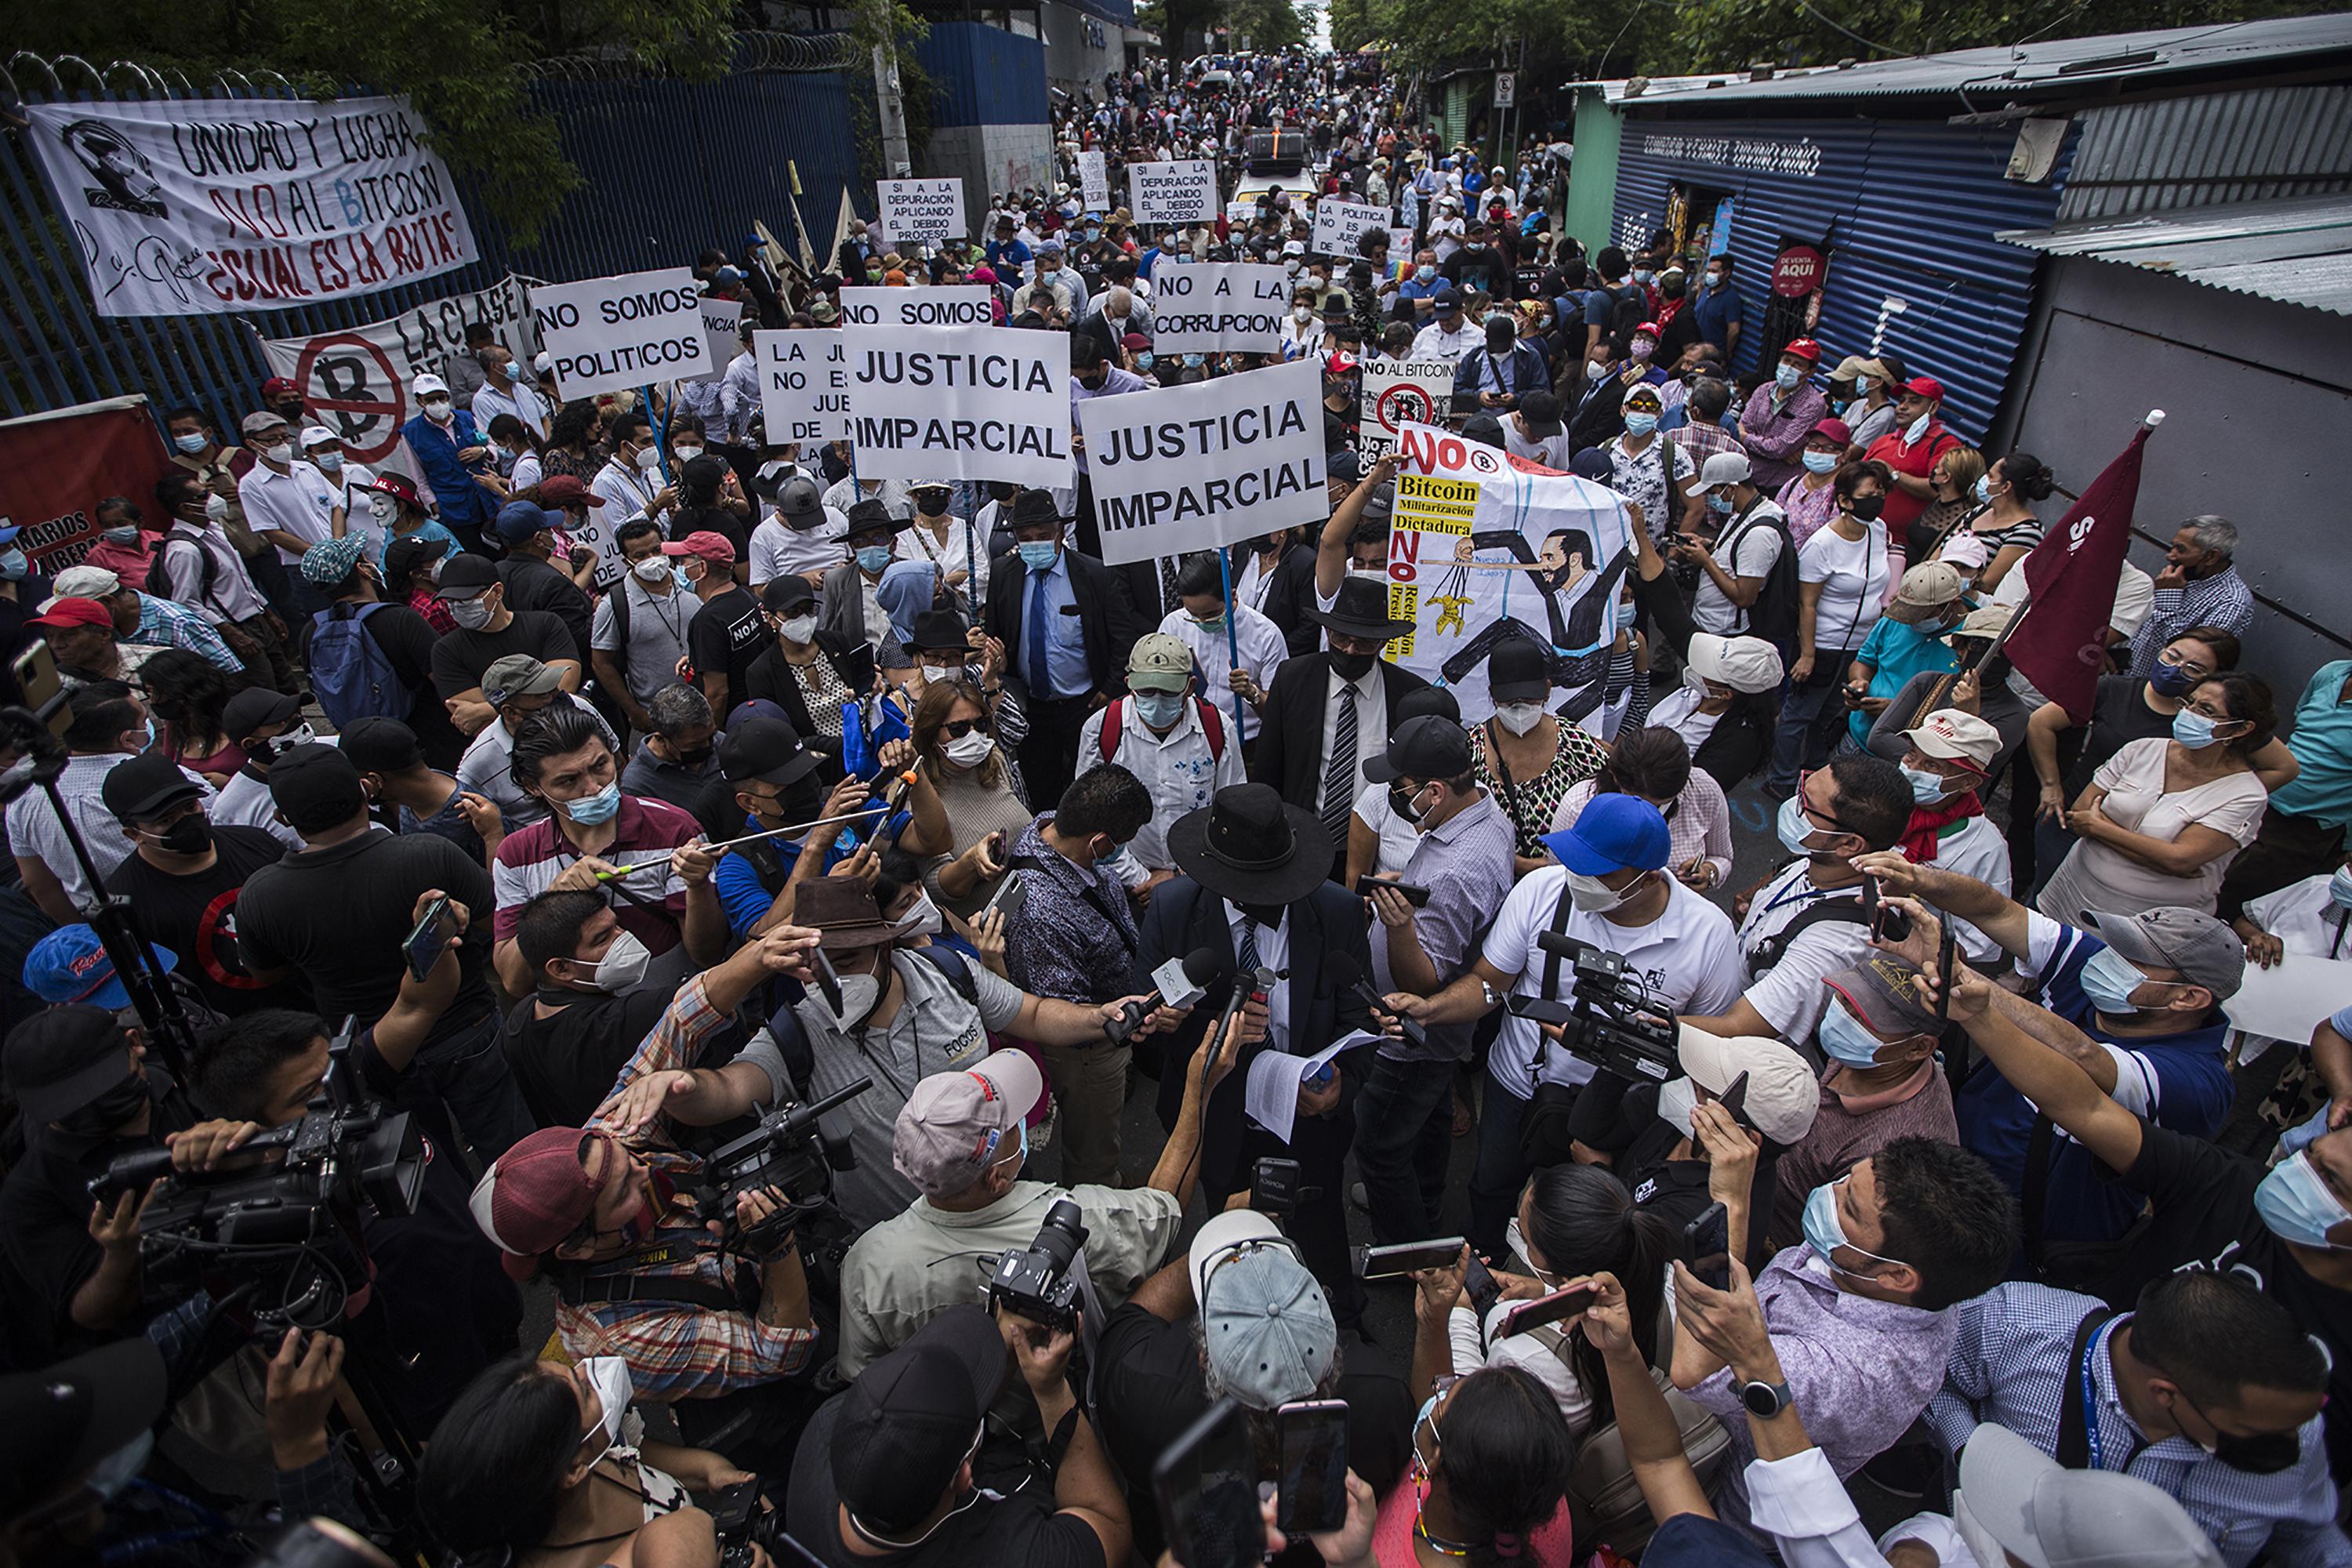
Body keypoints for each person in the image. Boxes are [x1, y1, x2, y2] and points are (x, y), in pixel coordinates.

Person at [466, 927, 822, 1468]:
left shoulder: (607, 1147)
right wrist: (775, 1249)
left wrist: (757, 959)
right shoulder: (616, 1337)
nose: (640, 1166)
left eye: (625, 1154)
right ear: (577, 1249)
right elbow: (782, 1349)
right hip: (776, 1393)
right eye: (625, 1190)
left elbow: (682, 1017)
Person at [1388, 796, 1744, 1257]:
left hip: (1615, 1115)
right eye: (1576, 862)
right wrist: (1431, 1009)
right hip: (1518, 1086)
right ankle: (1480, 1270)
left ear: (1648, 876)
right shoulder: (1542, 890)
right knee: (1492, 1186)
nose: (1579, 879)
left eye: (1599, 872)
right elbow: (1488, 983)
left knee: (1587, 1228)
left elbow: (1707, 1044)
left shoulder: (1708, 936)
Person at [1857, 867, 2243, 1283]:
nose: (2107, 959)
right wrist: (1919, 878)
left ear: (2188, 998)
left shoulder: (2195, 1081)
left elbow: (2085, 1057)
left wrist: (1960, 980)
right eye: (2117, 945)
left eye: (2132, 959)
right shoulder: (2099, 972)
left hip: (2018, 1243)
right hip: (1943, 1175)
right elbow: (1996, 910)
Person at [1671, 1138, 2018, 1530]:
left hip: (1710, 1493)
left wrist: (1730, 1208)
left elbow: (1695, 1370)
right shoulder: (1869, 1270)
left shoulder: (1857, 1372)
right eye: (1845, 1180)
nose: (1828, 1196)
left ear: (1897, 1276)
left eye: (1848, 1208)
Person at [779, 878, 1157, 1232]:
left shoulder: (948, 974)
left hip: (1003, 1194)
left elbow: (1034, 1015)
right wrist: (742, 970)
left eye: (845, 963)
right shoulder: (796, 1035)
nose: (829, 981)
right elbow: (721, 1093)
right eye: (813, 967)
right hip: (903, 1232)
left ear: (883, 947)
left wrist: (1100, 1016)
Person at [837, 1034, 1220, 1377]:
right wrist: (1197, 1091)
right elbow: (1165, 1210)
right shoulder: (1080, 1220)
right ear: (996, 1178)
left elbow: (862, 1375)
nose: (1019, 1121)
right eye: (1010, 1126)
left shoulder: (867, 1265)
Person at [1132, 784, 1374, 1310]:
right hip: (1217, 1121)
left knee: (1318, 1237)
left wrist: (1337, 1092)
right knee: (1234, 1240)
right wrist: (1179, 1025)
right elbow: (1147, 1031)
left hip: (1308, 1128)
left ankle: (1338, 1323)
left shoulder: (1339, 913)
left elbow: (1359, 1022)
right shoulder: (1172, 910)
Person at [1929, 1269, 2348, 1567]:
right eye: (2248, 1432)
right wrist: (1973, 1452)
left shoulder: (2288, 1429)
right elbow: (1934, 1380)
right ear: (2166, 1395)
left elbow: (2310, 1537)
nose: (2288, 1439)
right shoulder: (2012, 1326)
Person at [235, 742, 531, 1161]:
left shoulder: (261, 897)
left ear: (284, 818)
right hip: (467, 1028)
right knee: (514, 1151)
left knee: (419, 1166)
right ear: (364, 791)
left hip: (373, 1052)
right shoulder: (426, 853)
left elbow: (266, 974)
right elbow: (496, 921)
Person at [1093, 1206, 1414, 1561]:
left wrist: (1206, 1256)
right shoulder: (1384, 1396)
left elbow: (1129, 1322)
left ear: (1203, 1360)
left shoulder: (1141, 1381)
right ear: (1332, 1359)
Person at [784, 1305, 1131, 1568]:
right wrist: (1053, 1392)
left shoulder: (824, 1429)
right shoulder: (1022, 1553)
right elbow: (1108, 1525)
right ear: (965, 1476)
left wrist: (998, 1349)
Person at [1349, 714, 1515, 1241]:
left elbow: (1422, 984)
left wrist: (1398, 924)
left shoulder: (1452, 873)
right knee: (1429, 1119)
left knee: (1378, 1145)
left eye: (1402, 789)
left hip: (1410, 1042)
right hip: (1443, 1049)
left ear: (1436, 791)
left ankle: (1407, 1255)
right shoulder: (1486, 814)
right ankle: (1425, 1199)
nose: (1396, 799)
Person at [418, 1354, 753, 1568]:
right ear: (573, 1469)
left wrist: (711, 1469)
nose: (591, 1369)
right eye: (585, 1389)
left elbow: (641, 1453)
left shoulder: (595, 1451)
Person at [488, 702, 728, 996]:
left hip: (666, 1007)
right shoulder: (517, 856)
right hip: (580, 1027)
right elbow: (514, 981)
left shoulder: (674, 830)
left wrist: (698, 885)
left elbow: (707, 954)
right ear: (533, 786)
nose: (593, 788)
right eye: (568, 781)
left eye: (600, 766)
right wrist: (552, 903)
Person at [1683, 750, 1916, 1047]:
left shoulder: (1832, 946)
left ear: (1849, 844)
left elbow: (1737, 1027)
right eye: (1801, 789)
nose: (1794, 807)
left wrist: (1639, 1022)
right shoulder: (1822, 859)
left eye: (1807, 806)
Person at [1000, 765, 1156, 1184]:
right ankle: (1097, 1199)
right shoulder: (1041, 912)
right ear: (1100, 842)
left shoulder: (1054, 827)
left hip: (1117, 1000)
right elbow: (1063, 1008)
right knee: (1094, 1148)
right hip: (1088, 1052)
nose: (1122, 854)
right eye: (1121, 845)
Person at [2038, 673, 2275, 921]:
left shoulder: (2245, 795)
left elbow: (2179, 859)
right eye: (2189, 702)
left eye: (2205, 710)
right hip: (2072, 892)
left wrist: (2098, 828)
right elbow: (2081, 811)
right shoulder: (2141, 749)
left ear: (2241, 728)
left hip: (2149, 923)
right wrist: (2158, 859)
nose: (2189, 713)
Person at [98, 754, 310, 1016]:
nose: (186, 821)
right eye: (166, 820)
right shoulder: (125, 903)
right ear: (133, 834)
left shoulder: (255, 843)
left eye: (190, 807)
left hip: (308, 1001)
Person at [1772, 956, 1959, 1241]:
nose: (1844, 1017)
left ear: (1920, 1048)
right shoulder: (1869, 1058)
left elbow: (1837, 1246)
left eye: (1865, 1018)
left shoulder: (1888, 1154)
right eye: (1847, 999)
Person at [983, 491, 1146, 811]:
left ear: (1059, 532)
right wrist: (997, 660)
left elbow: (1122, 639)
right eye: (1026, 537)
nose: (1035, 543)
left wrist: (1109, 689)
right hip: (1030, 705)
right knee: (1038, 787)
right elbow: (996, 634)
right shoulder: (1004, 573)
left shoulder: (1095, 574)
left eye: (1043, 536)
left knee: (1092, 788)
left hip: (1085, 703)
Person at [5, 680, 203, 925]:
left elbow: (40, 885)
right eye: (143, 721)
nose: (148, 725)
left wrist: (98, 941)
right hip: (193, 916)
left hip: (106, 930)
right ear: (128, 739)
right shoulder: (171, 781)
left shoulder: (24, 800)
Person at [1076, 633, 1243, 880]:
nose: (1156, 700)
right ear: (1129, 684)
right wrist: (1140, 879)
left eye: (1166, 692)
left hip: (1200, 875)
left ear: (1190, 687)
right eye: (1146, 690)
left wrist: (1179, 876)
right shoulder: (1101, 730)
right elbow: (1089, 818)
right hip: (1123, 882)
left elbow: (1233, 811)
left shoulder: (1218, 729)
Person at [1771, 462, 1892, 797]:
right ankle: (1781, 779)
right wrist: (1807, 654)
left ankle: (1813, 772)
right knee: (1799, 715)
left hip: (1860, 645)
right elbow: (1807, 603)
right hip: (1823, 644)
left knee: (1831, 712)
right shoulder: (1823, 544)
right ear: (1846, 500)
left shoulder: (1878, 530)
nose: (1878, 499)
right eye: (1869, 494)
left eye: (1881, 492)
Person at [302, 531, 468, 770]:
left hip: (369, 750)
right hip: (433, 743)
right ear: (363, 570)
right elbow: (449, 685)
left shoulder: (311, 632)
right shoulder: (400, 619)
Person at [1463, 637, 1608, 874]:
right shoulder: (1471, 749)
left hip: (1561, 881)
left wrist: (1544, 866)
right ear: (1492, 695)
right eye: (1510, 702)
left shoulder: (1576, 746)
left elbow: (1608, 814)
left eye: (1529, 699)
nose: (1520, 709)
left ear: (1548, 690)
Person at [1882, 708, 2013, 961]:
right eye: (1911, 755)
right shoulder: (1879, 798)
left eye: (1932, 765)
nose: (1913, 769)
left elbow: (1983, 938)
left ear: (1968, 783)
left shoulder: (1986, 849)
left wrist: (1925, 948)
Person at [2226, 655, 2352, 914]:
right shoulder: (2333, 673)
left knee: (2248, 905)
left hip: (2307, 828)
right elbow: (2303, 728)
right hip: (2263, 800)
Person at [151, 469, 293, 695]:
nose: (212, 499)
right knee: (264, 693)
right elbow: (186, 603)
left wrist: (267, 613)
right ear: (186, 508)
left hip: (256, 621)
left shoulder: (215, 530)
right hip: (234, 630)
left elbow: (241, 578)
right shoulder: (184, 550)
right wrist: (231, 633)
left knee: (286, 685)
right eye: (203, 496)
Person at [1552, 724, 1735, 895]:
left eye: (1658, 805)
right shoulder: (1579, 805)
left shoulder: (1704, 790)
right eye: (1634, 799)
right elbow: (1557, 876)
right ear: (1615, 776)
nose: (1646, 813)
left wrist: (1709, 872)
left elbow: (1721, 857)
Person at [456, 655, 619, 829]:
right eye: (543, 695)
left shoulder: (577, 708)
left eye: (553, 688)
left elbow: (619, 760)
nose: (556, 697)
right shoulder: (478, 762)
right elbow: (469, 816)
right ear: (511, 713)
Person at [430, 552, 583, 736]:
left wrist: (482, 711)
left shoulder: (545, 624)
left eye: (465, 599)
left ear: (497, 592)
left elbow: (565, 686)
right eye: (450, 601)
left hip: (570, 731)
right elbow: (475, 724)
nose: (457, 607)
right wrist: (541, 699)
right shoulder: (446, 651)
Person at [742, 575, 881, 775]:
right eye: (793, 613)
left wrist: (872, 685)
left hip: (868, 752)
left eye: (809, 610)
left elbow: (868, 689)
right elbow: (780, 737)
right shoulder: (762, 673)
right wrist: (841, 747)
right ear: (772, 619)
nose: (803, 618)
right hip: (817, 768)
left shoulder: (837, 643)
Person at [1158, 553, 1287, 750]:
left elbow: (1279, 713)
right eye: (1193, 614)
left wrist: (1251, 693)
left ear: (1232, 594)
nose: (1201, 622)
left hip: (1246, 745)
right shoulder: (1174, 625)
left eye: (1210, 614)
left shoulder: (1266, 635)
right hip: (1187, 741)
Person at [1842, 561, 1965, 750]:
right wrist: (1859, 682)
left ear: (1953, 605)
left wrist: (1899, 712)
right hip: (1858, 738)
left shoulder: (1970, 639)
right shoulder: (1894, 620)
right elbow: (1864, 661)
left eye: (1920, 614)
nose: (1910, 621)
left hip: (1909, 754)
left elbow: (1962, 709)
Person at [233, 408, 345, 615]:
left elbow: (336, 506)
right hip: (306, 568)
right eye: (272, 440)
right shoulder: (252, 485)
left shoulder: (307, 469)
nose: (281, 444)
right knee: (330, 622)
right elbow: (272, 532)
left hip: (340, 559)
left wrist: (337, 545)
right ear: (252, 443)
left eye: (284, 437)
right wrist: (317, 553)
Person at [1680, 451, 1793, 648]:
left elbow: (1744, 597)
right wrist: (1709, 545)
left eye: (1713, 492)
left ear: (1731, 489)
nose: (1710, 499)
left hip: (1724, 632)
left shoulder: (1760, 534)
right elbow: (1737, 554)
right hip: (1711, 623)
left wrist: (1705, 561)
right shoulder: (1743, 513)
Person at [2126, 517, 2256, 679]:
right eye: (2173, 547)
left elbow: (2191, 655)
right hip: (2126, 674)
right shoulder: (2182, 576)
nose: (2171, 556)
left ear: (2211, 557)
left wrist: (2168, 600)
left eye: (2181, 550)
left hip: (2155, 689)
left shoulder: (2232, 602)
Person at [672, 530, 770, 724]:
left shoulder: (707, 621)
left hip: (735, 720)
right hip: (760, 706)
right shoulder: (745, 596)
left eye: (684, 561)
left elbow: (718, 693)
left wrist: (712, 735)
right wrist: (697, 659)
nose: (680, 568)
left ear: (702, 568)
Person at [488, 500, 595, 663]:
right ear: (539, 539)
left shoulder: (495, 573)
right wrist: (599, 613)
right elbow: (579, 638)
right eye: (548, 531)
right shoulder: (553, 583)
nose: (552, 535)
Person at [403, 374, 501, 552]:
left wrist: (483, 451)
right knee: (474, 553)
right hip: (453, 507)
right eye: (431, 400)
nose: (438, 404)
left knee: (502, 545)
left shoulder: (467, 418)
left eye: (442, 398)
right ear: (420, 402)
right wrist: (434, 504)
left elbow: (493, 446)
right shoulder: (411, 433)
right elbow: (418, 477)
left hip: (486, 498)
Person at [1860, 378, 1963, 541]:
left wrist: (1894, 474)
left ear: (1933, 407)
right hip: (1865, 535)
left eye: (1914, 402)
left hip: (1902, 545)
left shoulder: (1944, 444)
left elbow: (1939, 490)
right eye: (1901, 400)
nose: (1903, 407)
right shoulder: (1884, 441)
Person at [619, 682, 728, 825]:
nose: (709, 746)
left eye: (711, 736)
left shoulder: (719, 742)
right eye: (695, 745)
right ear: (661, 739)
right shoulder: (638, 785)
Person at [1737, 338, 1828, 492]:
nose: (1789, 368)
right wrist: (1775, 451)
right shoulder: (1763, 390)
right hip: (1746, 474)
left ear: (1810, 372)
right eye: (1786, 360)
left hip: (1777, 484)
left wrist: (1746, 438)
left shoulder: (1813, 404)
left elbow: (1780, 448)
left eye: (1798, 365)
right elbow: (1743, 426)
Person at [1774, 416, 1853, 550]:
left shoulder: (1841, 493)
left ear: (1844, 456)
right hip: (1783, 563)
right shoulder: (1794, 484)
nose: (1818, 451)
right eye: (1813, 445)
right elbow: (1775, 518)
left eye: (1828, 448)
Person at [1690, 253, 1743, 361]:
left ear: (1727, 273)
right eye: (1709, 271)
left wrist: (1726, 355)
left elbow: (1734, 331)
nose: (1710, 274)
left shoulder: (1731, 298)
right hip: (1696, 351)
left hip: (1711, 356)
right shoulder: (1705, 292)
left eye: (1714, 271)